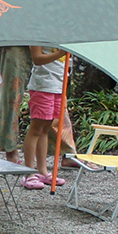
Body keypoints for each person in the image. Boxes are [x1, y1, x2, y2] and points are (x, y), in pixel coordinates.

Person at [21, 46, 70, 189]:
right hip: (43, 85)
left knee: (45, 129)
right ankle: (28, 173)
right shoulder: (39, 33)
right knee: (36, 129)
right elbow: (37, 59)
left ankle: (43, 171)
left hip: (59, 86)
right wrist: (61, 53)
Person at [0, 46, 30, 164]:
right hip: (14, 39)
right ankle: (9, 146)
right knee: (11, 92)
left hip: (47, 36)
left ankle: (66, 150)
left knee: (54, 92)